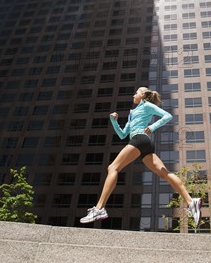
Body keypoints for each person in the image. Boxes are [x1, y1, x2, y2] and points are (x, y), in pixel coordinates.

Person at [80, 86, 202, 227]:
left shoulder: (147, 106)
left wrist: (153, 127)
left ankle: (99, 209)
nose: (134, 94)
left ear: (143, 95)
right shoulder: (132, 113)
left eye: (136, 92)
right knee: (165, 174)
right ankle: (191, 202)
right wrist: (114, 121)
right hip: (143, 144)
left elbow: (167, 116)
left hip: (139, 139)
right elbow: (122, 134)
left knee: (112, 167)